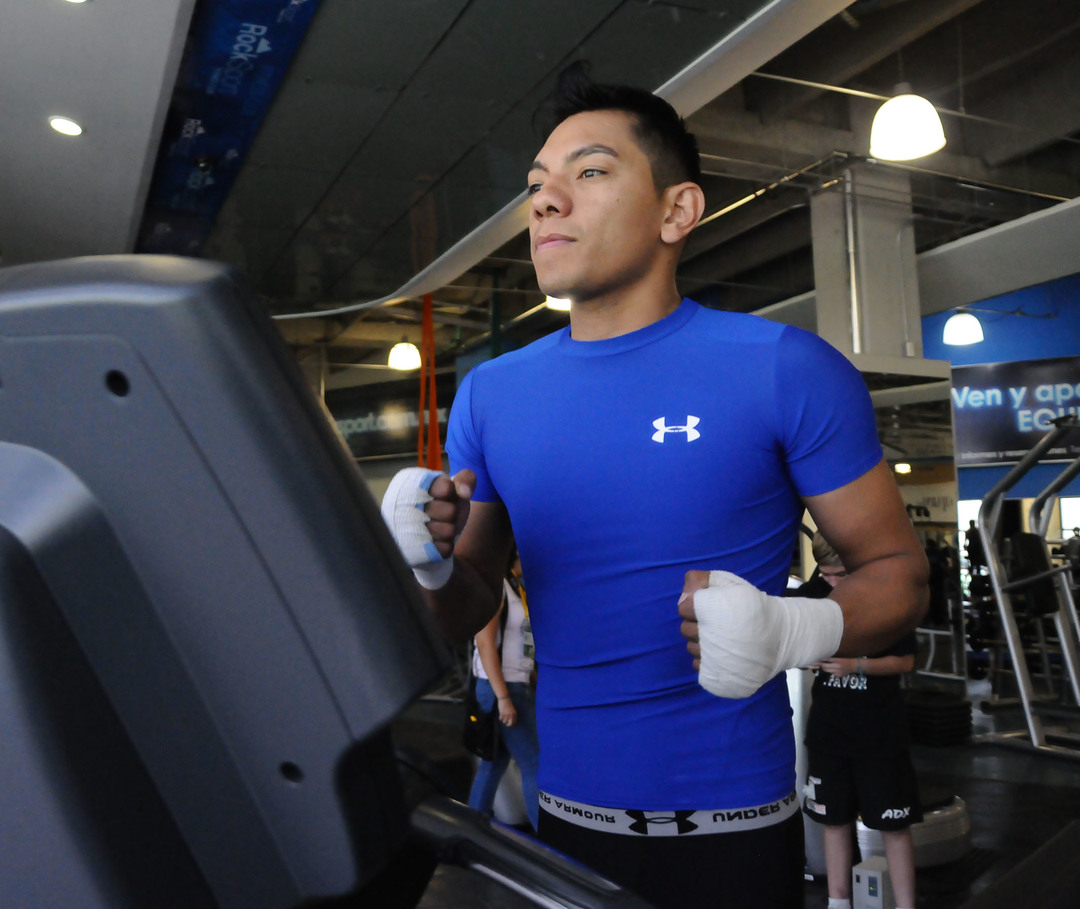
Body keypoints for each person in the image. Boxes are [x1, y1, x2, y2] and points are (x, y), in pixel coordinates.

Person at [379, 60, 928, 908]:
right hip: (567, 823)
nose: (546, 202)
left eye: (591, 172)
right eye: (537, 185)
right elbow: (468, 600)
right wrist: (427, 564)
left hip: (735, 829)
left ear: (678, 210)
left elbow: (900, 575)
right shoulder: (492, 392)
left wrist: (791, 626)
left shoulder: (784, 368)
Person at [801, 533, 921, 909]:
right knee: (833, 821)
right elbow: (793, 648)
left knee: (893, 826)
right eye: (826, 574)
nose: (831, 582)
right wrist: (804, 657)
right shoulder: (812, 594)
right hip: (828, 730)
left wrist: (856, 665)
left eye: (839, 574)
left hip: (879, 732)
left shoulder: (886, 596)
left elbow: (905, 661)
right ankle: (838, 903)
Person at [468, 553, 539, 829]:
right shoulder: (497, 587)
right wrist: (504, 698)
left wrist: (530, 676)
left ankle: (470, 827)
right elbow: (484, 643)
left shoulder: (516, 588)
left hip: (512, 684)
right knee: (534, 764)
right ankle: (547, 837)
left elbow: (522, 642)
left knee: (493, 763)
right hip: (503, 687)